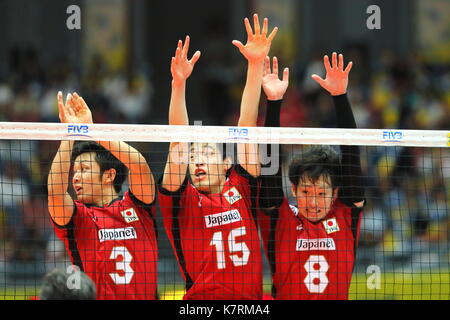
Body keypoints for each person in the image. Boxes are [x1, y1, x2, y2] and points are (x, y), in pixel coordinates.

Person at [158, 14, 277, 300]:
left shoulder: (242, 187)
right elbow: (179, 139)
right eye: (194, 155)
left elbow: (247, 124)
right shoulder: (179, 201)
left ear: (226, 164)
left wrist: (255, 63)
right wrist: (178, 84)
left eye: (208, 153)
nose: (197, 160)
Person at [259, 52, 365, 300]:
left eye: (321, 193)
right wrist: (274, 102)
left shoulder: (346, 214)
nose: (314, 202)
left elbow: (351, 156)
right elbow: (270, 168)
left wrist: (340, 97)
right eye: (306, 192)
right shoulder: (280, 219)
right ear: (293, 190)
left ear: (335, 193)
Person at [47, 92, 158, 300]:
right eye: (75, 171)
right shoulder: (78, 217)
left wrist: (92, 130)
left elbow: (140, 165)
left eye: (84, 169)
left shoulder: (138, 208)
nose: (76, 178)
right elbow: (55, 192)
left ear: (109, 175)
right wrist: (69, 134)